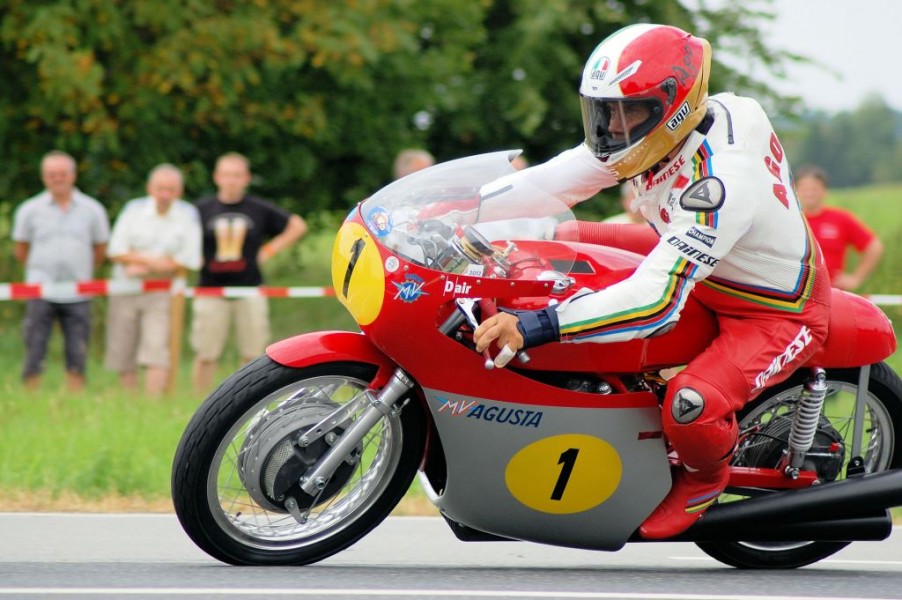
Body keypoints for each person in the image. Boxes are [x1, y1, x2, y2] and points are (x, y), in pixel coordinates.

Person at [472, 24, 831, 539]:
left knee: (692, 404)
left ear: (675, 107)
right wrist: (457, 208)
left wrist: (537, 326)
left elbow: (655, 304)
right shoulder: (674, 131)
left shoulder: (721, 182)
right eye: (605, 110)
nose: (613, 126)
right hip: (703, 255)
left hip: (774, 307)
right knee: (565, 237)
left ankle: (705, 476)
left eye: (630, 110)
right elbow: (550, 180)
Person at [190, 152, 308, 391]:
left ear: (246, 178)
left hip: (250, 288)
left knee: (253, 354)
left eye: (236, 175)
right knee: (206, 353)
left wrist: (269, 250)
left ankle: (246, 400)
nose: (231, 181)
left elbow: (297, 225)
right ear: (217, 177)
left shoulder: (258, 208)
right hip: (211, 290)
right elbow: (179, 234)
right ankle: (199, 400)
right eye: (226, 175)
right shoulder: (200, 209)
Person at [12, 150, 110, 392]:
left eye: (62, 174)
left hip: (78, 293)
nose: (58, 179)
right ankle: (30, 395)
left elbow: (100, 249)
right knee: (35, 347)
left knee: (77, 348)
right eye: (51, 174)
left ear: (73, 176)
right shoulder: (29, 210)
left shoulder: (92, 209)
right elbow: (21, 249)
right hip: (40, 291)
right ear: (44, 177)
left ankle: (75, 395)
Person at [104, 164, 202, 395]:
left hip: (163, 292)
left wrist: (141, 265)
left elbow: (190, 259)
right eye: (160, 188)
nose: (165, 195)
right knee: (123, 346)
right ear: (150, 188)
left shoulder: (187, 214)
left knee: (156, 347)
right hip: (125, 289)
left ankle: (151, 403)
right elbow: (116, 251)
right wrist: (157, 263)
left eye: (171, 189)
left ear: (179, 191)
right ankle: (130, 403)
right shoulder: (133, 210)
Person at [795, 164, 883, 291]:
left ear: (824, 191)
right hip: (796, 296)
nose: (809, 193)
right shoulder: (790, 221)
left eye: (814, 189)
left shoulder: (840, 219)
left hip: (832, 294)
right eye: (804, 189)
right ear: (795, 191)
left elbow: (874, 247)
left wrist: (856, 279)